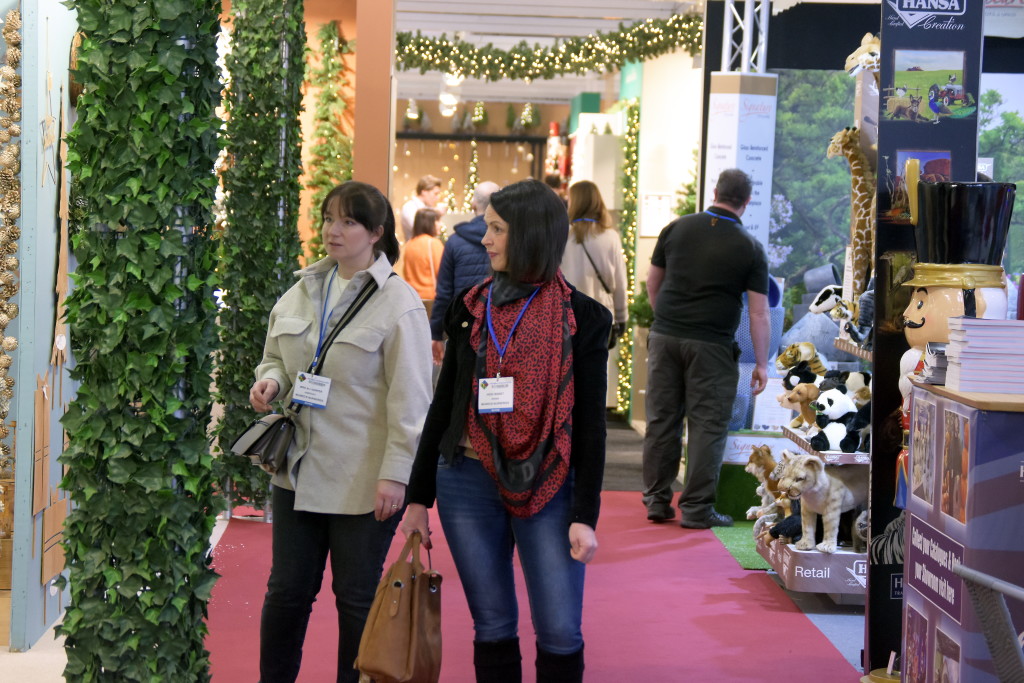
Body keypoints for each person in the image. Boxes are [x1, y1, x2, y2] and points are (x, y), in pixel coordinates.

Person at [402, 179, 611, 683]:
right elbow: (444, 406)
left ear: (531, 235)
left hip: (552, 482)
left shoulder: (583, 318)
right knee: (491, 624)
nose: (485, 239)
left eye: (497, 229)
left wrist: (586, 515)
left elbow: (590, 427)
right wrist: (417, 499)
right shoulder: (471, 308)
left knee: (560, 629)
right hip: (466, 482)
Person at [249, 181, 433, 683]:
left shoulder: (400, 304)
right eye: (330, 217)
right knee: (286, 593)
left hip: (362, 481)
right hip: (297, 472)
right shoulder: (304, 287)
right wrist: (270, 380)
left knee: (355, 599)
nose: (333, 229)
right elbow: (276, 356)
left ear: (376, 233)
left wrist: (396, 476)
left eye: (348, 221)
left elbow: (412, 404)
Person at [641, 168, 769, 528]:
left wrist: (666, 321)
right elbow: (758, 313)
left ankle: (656, 500)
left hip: (665, 338)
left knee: (662, 419)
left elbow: (654, 283)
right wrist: (761, 363)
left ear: (714, 192)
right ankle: (696, 509)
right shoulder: (750, 248)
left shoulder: (676, 229)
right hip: (712, 346)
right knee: (707, 426)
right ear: (746, 202)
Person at [561, 180, 628, 406]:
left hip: (566, 316)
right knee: (595, 376)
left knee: (566, 375)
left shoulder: (563, 236)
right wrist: (622, 317)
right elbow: (619, 282)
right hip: (600, 316)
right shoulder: (610, 237)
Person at [429, 180, 500, 365]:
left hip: (463, 323)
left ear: (473, 203)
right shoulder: (507, 240)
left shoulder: (454, 242)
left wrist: (435, 332)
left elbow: (444, 292)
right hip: (499, 325)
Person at [402, 207, 445, 308]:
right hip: (430, 298)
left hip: (411, 297)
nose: (440, 225)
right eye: (437, 221)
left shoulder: (409, 244)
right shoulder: (434, 243)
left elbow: (406, 272)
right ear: (429, 223)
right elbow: (442, 272)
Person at [400, 174, 443, 242]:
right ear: (424, 192)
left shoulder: (429, 208)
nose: (437, 198)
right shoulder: (409, 207)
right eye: (435, 194)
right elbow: (421, 230)